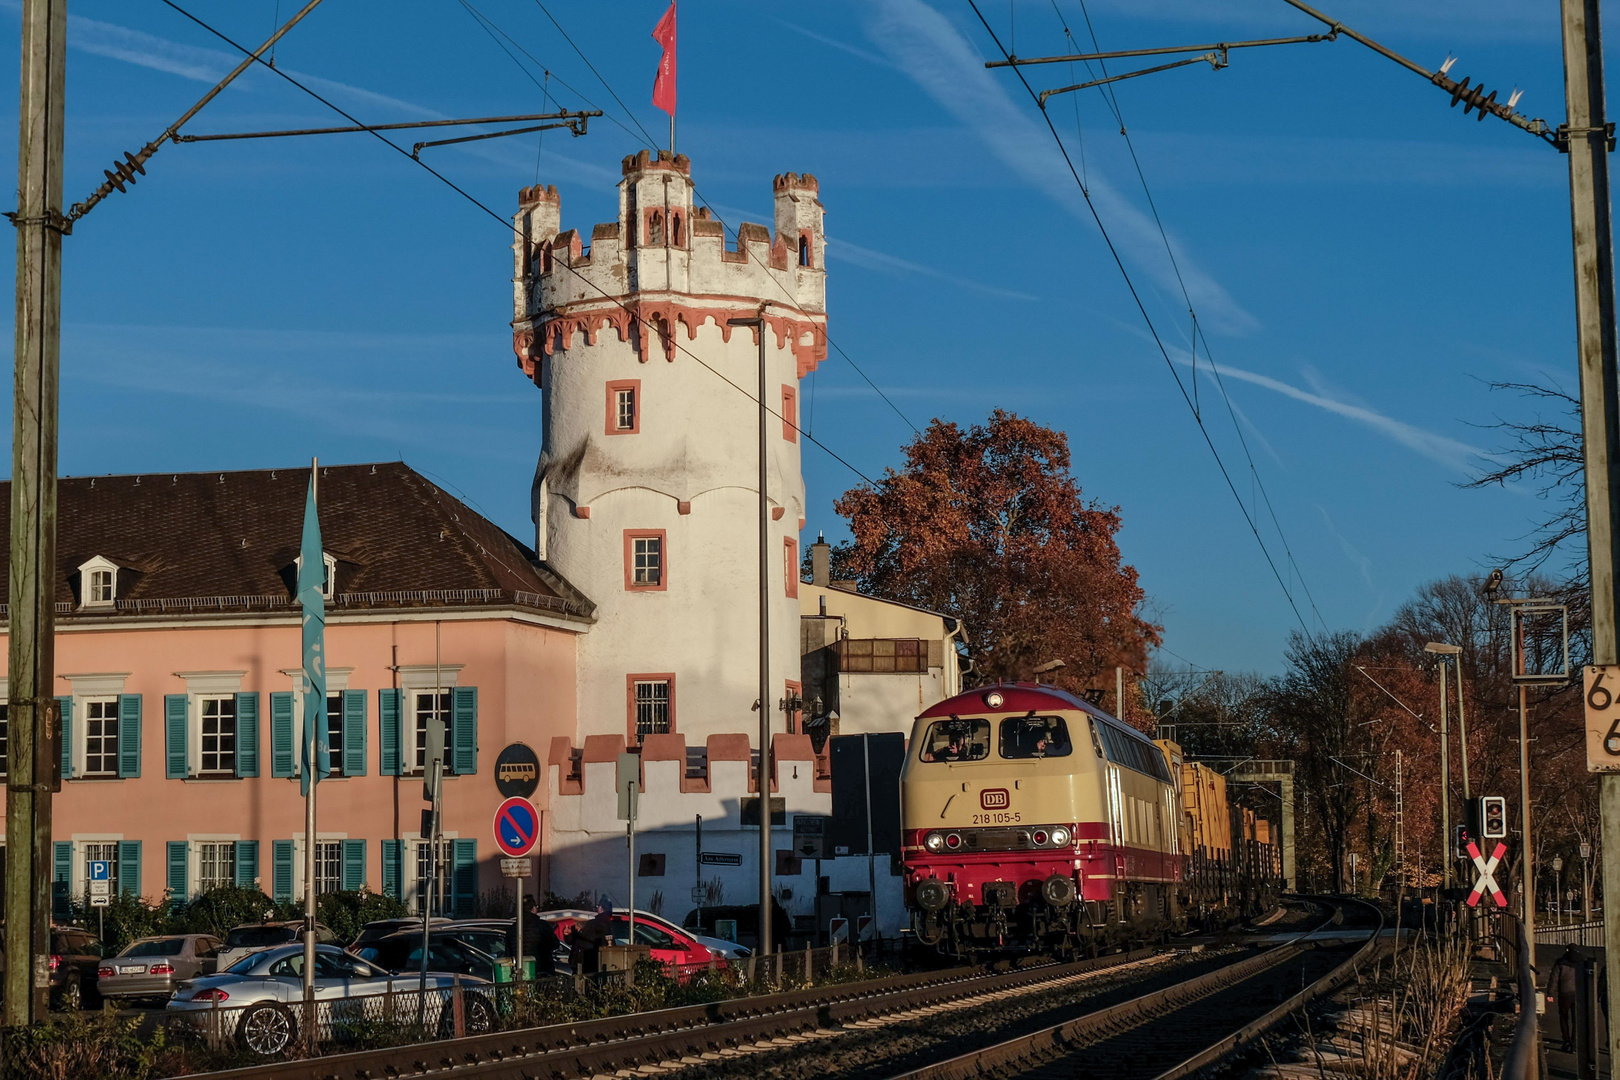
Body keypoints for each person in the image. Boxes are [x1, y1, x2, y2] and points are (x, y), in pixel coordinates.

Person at [1547, 945, 1581, 1052]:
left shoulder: (1560, 962)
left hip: (1564, 994)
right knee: (1576, 1020)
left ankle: (1566, 1040)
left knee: (1563, 1017)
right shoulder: (1581, 961)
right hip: (1578, 994)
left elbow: (1554, 979)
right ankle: (1575, 1044)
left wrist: (1550, 993)